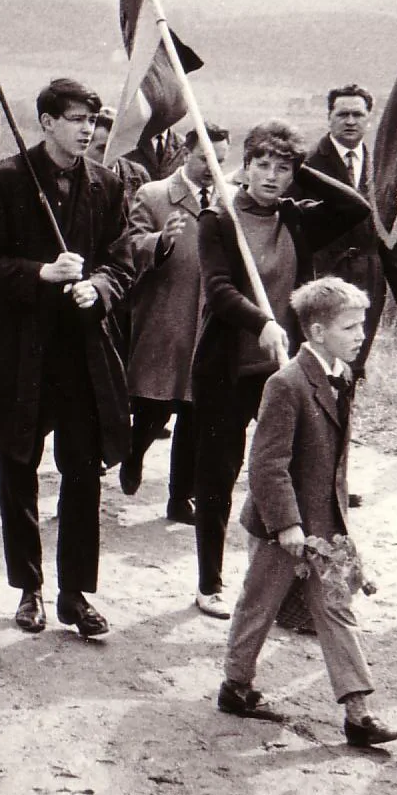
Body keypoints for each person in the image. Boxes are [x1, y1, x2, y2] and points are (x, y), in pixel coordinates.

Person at [0, 78, 133, 638]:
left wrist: (99, 288)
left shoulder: (107, 185)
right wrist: (41, 273)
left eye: (92, 119)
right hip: (20, 352)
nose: (88, 129)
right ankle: (29, 588)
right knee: (19, 468)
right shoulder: (9, 178)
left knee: (83, 472)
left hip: (80, 353)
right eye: (76, 119)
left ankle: (75, 593)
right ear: (46, 123)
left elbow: (120, 260)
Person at [189, 119, 370, 618]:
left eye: (282, 168)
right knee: (219, 474)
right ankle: (209, 582)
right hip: (228, 368)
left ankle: (290, 591)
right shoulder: (218, 218)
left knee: (290, 475)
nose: (271, 176)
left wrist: (304, 170)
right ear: (243, 167)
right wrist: (262, 321)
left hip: (283, 372)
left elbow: (355, 208)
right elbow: (220, 289)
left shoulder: (297, 217)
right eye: (261, 164)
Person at [217, 277, 397, 749]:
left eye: (361, 325)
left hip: (323, 526)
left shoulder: (341, 377)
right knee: (259, 605)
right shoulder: (287, 383)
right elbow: (266, 463)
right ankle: (235, 686)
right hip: (282, 526)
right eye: (350, 327)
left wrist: (340, 527)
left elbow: (333, 466)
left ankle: (358, 713)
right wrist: (287, 525)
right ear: (316, 332)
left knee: (336, 610)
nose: (361, 335)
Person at [119, 122, 229, 519]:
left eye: (220, 160)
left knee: (197, 414)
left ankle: (180, 496)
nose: (211, 167)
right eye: (205, 158)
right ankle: (134, 451)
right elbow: (129, 248)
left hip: (209, 321)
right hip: (165, 316)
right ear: (186, 154)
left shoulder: (230, 200)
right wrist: (160, 241)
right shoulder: (154, 195)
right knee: (155, 406)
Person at [303, 84, 397, 379]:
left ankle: (345, 422)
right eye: (343, 114)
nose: (350, 121)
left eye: (358, 114)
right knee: (319, 358)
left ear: (369, 118)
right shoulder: (308, 165)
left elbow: (395, 230)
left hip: (369, 278)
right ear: (329, 118)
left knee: (355, 359)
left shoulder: (383, 167)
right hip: (322, 276)